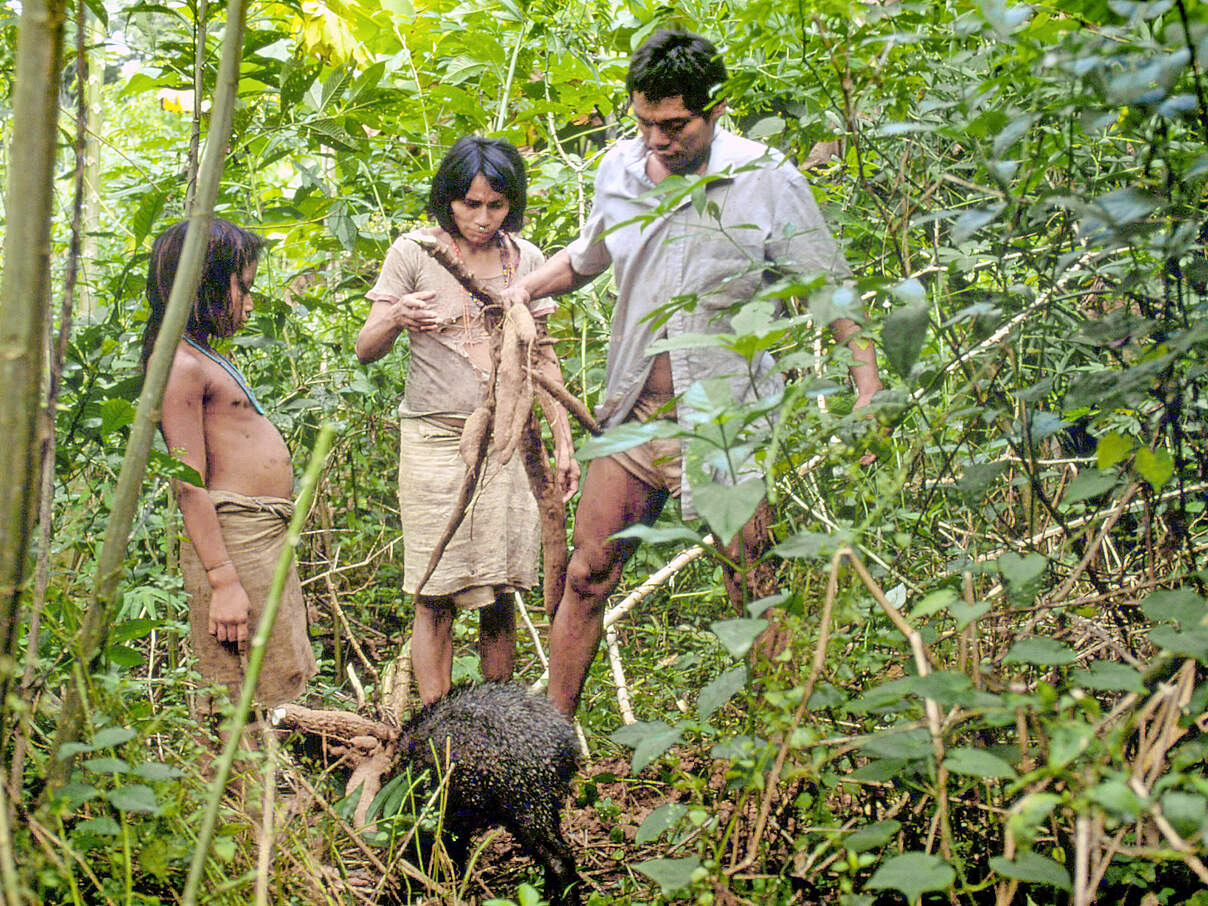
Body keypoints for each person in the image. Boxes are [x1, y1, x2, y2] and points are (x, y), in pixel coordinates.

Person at [503, 29, 884, 716]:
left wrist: (867, 380)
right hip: (635, 418)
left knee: (751, 580)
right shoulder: (618, 170)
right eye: (645, 123)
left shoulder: (766, 178)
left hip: (726, 419)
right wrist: (523, 291)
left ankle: (777, 751)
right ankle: (549, 742)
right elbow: (587, 257)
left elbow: (827, 282)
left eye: (675, 125)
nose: (657, 140)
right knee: (587, 573)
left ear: (717, 110)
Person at [356, 136, 579, 706]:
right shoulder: (413, 251)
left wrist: (563, 442)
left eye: (495, 206)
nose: (481, 218)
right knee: (434, 590)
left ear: (512, 204)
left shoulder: (525, 260)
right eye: (470, 204)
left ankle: (494, 719)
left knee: (501, 589)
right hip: (434, 437)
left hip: (510, 443)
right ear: (448, 198)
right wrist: (398, 318)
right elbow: (366, 347)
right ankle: (437, 726)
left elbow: (543, 354)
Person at [144, 218, 317, 714]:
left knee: (275, 674)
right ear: (205, 284)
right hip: (233, 540)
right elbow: (189, 484)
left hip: (259, 537)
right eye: (243, 288)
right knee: (237, 685)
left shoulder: (203, 356)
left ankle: (268, 784)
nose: (249, 304)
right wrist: (222, 580)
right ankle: (240, 788)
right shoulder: (180, 365)